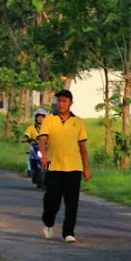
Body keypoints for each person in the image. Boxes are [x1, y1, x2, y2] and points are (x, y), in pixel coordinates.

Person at [38, 90, 91, 243]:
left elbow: (82, 147)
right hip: (54, 166)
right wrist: (44, 156)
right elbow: (42, 140)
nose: (61, 104)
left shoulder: (78, 122)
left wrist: (86, 167)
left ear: (70, 103)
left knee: (72, 201)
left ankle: (69, 232)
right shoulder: (49, 119)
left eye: (65, 101)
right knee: (52, 200)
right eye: (59, 101)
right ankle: (48, 222)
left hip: (74, 167)